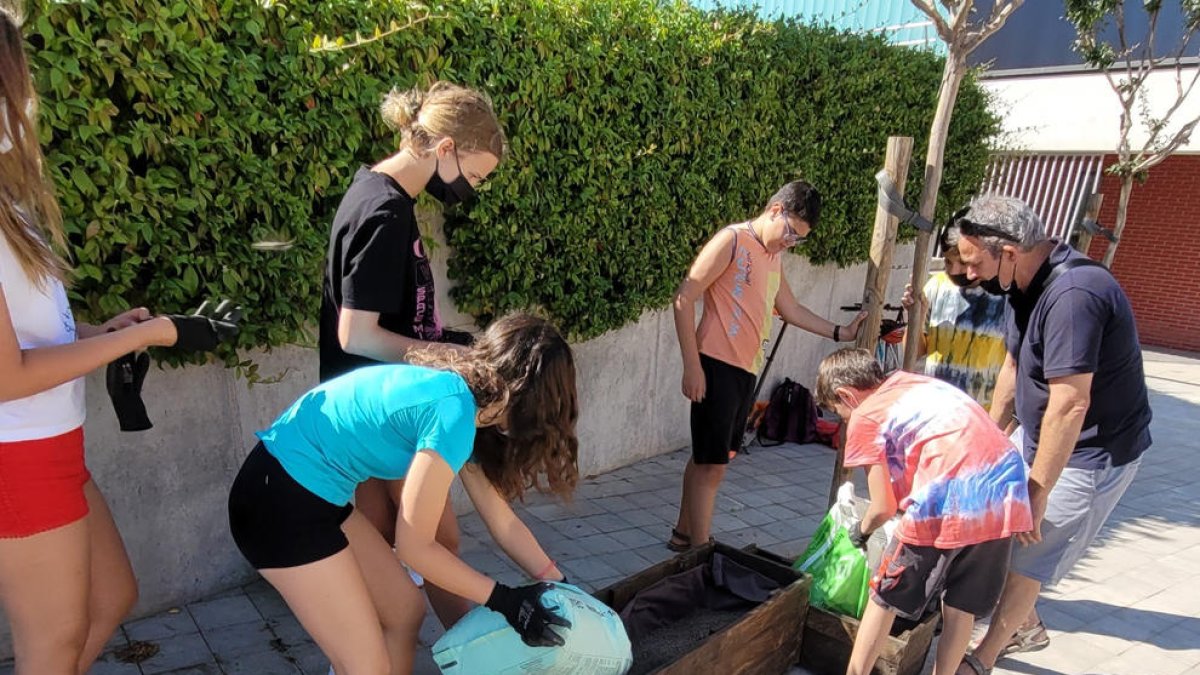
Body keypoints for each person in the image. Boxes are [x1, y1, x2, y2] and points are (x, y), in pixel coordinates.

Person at [0, 8, 234, 672]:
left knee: (112, 596)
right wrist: (158, 331)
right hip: (18, 457)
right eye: (20, 76)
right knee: (52, 642)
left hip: (54, 445)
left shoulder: (9, 206)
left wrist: (107, 332)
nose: (27, 96)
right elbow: (7, 375)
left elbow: (27, 338)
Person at [228, 313, 578, 675]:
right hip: (277, 502)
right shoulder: (453, 412)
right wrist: (504, 599)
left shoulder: (467, 396)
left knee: (404, 611)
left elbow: (500, 518)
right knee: (365, 666)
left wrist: (559, 583)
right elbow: (415, 548)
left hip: (310, 493)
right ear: (531, 398)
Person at [319, 81, 506, 627]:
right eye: (474, 175)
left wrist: (447, 345)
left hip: (371, 407)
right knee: (436, 544)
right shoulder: (383, 212)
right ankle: (481, 657)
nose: (472, 188)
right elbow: (356, 335)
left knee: (391, 549)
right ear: (445, 148)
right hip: (384, 410)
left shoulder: (381, 195)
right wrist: (444, 358)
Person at [952, 195, 1152, 675]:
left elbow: (1071, 404)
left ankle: (985, 657)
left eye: (974, 261)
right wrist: (987, 443)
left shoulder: (1074, 295)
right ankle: (1023, 618)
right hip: (1043, 432)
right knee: (995, 521)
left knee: (1028, 549)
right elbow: (1012, 366)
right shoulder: (1021, 285)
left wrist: (1037, 492)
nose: (968, 273)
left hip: (1090, 450)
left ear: (1008, 251)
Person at [669, 181, 866, 552]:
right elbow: (684, 298)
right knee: (714, 467)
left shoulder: (773, 257)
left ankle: (683, 535)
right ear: (775, 209)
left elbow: (790, 309)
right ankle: (700, 551)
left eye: (798, 240)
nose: (789, 242)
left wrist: (841, 332)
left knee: (709, 457)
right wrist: (691, 365)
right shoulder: (731, 241)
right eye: (790, 232)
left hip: (745, 370)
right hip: (715, 364)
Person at [814, 348, 1032, 675]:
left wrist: (860, 532)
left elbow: (883, 507)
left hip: (948, 493)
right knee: (960, 606)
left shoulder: (864, 414)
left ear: (846, 395)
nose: (844, 420)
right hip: (1004, 491)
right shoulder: (911, 382)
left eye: (838, 412)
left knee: (884, 596)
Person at [901, 223, 1008, 407]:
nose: (954, 271)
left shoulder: (1004, 297)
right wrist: (915, 318)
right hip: (934, 409)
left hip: (980, 416)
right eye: (948, 262)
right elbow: (914, 353)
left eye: (962, 262)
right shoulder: (935, 287)